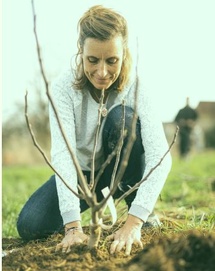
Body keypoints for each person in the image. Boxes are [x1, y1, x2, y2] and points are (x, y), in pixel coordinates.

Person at [17, 5, 172, 255]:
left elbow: (160, 156)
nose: (102, 72)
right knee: (30, 225)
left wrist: (134, 222)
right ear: (81, 52)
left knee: (123, 118)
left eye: (112, 61)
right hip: (82, 173)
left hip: (120, 168)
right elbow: (63, 154)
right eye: (92, 60)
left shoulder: (137, 87)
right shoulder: (62, 89)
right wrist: (72, 227)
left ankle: (135, 202)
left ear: (124, 54)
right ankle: (93, 199)